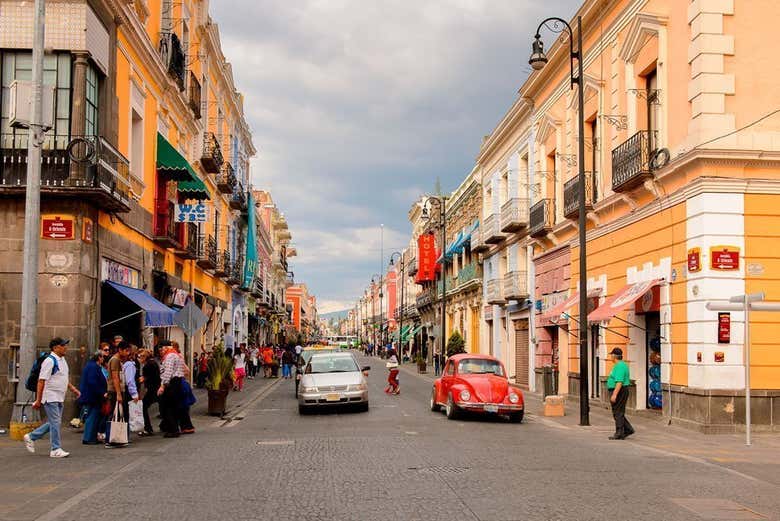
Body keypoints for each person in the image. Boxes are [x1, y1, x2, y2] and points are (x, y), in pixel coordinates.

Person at [23, 338, 81, 458]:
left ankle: (31, 436)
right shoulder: (49, 361)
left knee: (55, 422)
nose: (66, 347)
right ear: (55, 348)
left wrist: (73, 389)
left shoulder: (62, 360)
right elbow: (41, 381)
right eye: (63, 345)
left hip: (59, 396)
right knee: (55, 422)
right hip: (50, 396)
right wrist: (39, 400)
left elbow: (63, 378)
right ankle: (55, 448)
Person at [79, 349, 108, 445]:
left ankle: (90, 437)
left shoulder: (90, 366)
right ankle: (89, 437)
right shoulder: (94, 367)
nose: (103, 359)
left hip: (91, 395)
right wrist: (102, 392)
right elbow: (93, 382)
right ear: (99, 357)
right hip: (93, 396)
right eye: (102, 357)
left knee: (92, 416)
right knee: (93, 416)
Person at [158, 342, 186, 438]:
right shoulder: (176, 355)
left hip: (172, 383)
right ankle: (173, 429)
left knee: (168, 407)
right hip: (177, 382)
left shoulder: (169, 356)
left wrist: (163, 386)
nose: (161, 351)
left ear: (165, 348)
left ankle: (173, 430)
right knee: (173, 407)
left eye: (162, 349)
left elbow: (168, 371)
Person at [105, 341, 130, 447]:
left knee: (119, 414)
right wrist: (119, 393)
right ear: (120, 350)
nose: (128, 353)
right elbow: (115, 377)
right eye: (126, 351)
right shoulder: (115, 360)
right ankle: (111, 438)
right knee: (114, 414)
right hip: (115, 391)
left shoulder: (118, 360)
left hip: (118, 390)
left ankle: (118, 437)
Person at [607, 347, 635, 440]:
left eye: (611, 354)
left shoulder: (620, 366)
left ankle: (619, 432)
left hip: (619, 391)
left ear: (615, 356)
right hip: (620, 390)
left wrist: (614, 394)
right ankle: (626, 429)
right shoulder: (620, 365)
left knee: (618, 412)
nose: (611, 356)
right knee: (618, 412)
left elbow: (619, 382)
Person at [138, 349, 160, 436]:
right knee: (163, 406)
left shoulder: (148, 365)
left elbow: (145, 378)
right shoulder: (153, 362)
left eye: (140, 357)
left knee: (143, 407)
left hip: (152, 389)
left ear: (144, 357)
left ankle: (148, 428)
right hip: (156, 388)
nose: (139, 359)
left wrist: (141, 379)